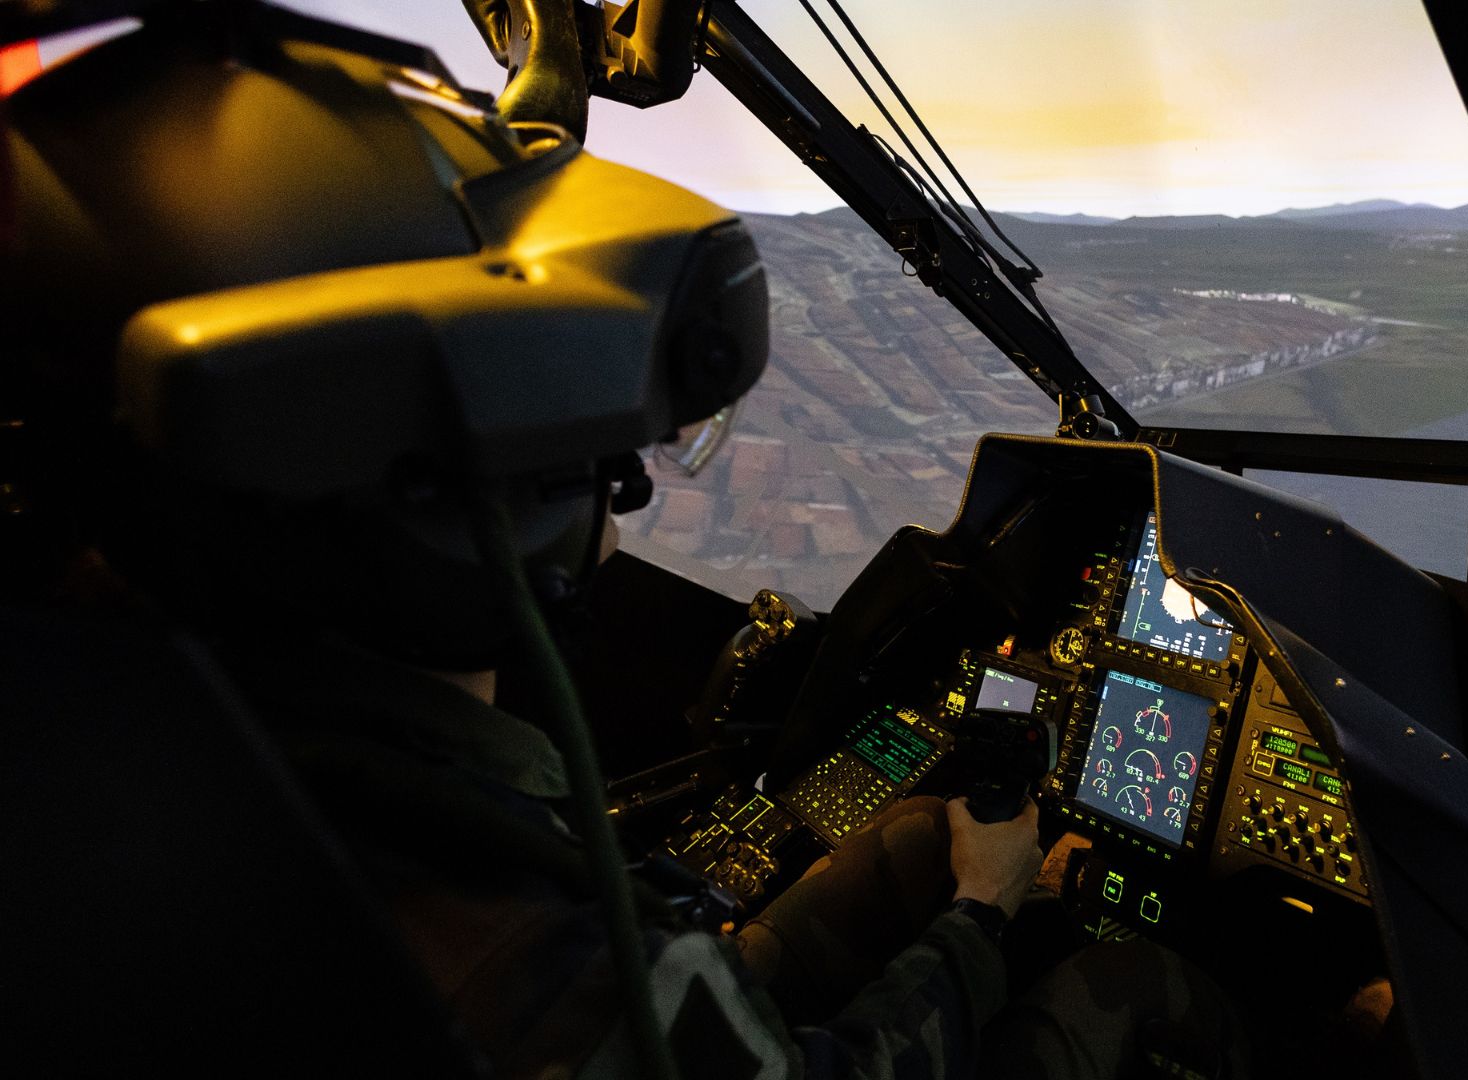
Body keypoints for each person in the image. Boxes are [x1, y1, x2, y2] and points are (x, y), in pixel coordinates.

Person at [1, 4, 1252, 1077]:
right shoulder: (506, 960)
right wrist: (985, 918)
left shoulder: (139, 726)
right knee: (1135, 976)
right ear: (458, 501)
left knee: (911, 841)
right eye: (592, 467)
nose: (610, 530)